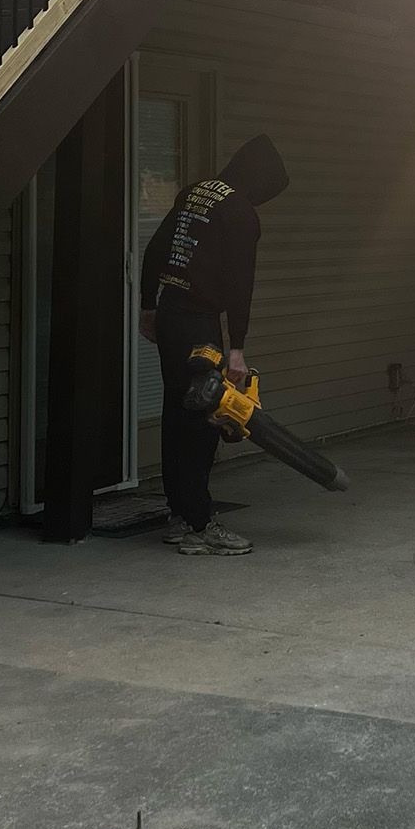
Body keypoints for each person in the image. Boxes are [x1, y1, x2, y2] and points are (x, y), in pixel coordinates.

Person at [139, 134, 289, 556]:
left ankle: (181, 513)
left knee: (176, 415)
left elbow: (155, 250)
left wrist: (149, 305)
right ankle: (200, 525)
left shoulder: (195, 194)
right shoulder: (240, 213)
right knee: (204, 422)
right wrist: (236, 348)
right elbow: (241, 285)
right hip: (199, 326)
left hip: (171, 317)